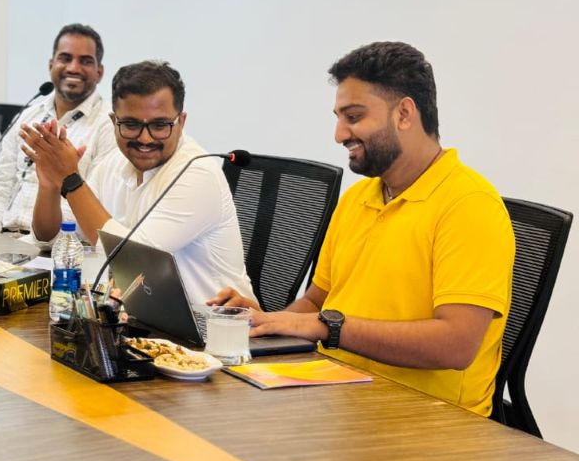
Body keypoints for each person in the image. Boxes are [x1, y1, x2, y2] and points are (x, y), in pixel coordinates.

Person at [209, 41, 514, 416]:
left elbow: (456, 345)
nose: (339, 134)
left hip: (431, 421)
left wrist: (329, 328)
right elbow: (317, 303)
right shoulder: (358, 198)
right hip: (340, 396)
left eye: (353, 117)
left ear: (404, 114)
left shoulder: (469, 205)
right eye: (338, 118)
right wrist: (268, 323)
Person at [22, 60, 254, 303]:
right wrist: (49, 185)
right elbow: (50, 237)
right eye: (131, 125)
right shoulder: (114, 162)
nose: (145, 139)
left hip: (212, 322)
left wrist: (71, 180)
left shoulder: (198, 172)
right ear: (114, 121)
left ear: (181, 122)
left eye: (159, 125)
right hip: (141, 315)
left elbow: (131, 262)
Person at [0, 24, 116, 241]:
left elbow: (94, 205)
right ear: (51, 64)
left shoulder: (108, 125)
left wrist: (28, 244)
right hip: (3, 240)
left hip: (59, 247)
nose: (73, 68)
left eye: (85, 61)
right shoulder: (28, 116)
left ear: (99, 72)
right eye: (65, 58)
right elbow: (0, 186)